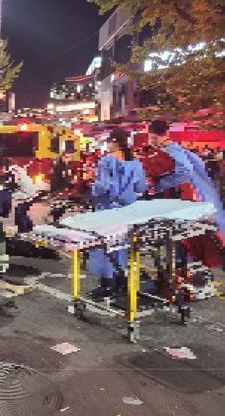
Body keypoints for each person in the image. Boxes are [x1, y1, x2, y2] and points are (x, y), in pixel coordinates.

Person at [147, 119, 225, 270]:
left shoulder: (171, 151)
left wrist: (159, 186)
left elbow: (185, 171)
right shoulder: (181, 150)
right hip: (202, 198)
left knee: (184, 240)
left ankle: (182, 269)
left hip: (187, 201)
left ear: (153, 135)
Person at [88, 129, 147, 298]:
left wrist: (91, 185)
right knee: (122, 245)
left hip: (108, 210)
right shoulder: (135, 162)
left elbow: (103, 187)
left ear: (114, 142)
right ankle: (121, 281)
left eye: (108, 142)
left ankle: (108, 284)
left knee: (105, 246)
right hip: (128, 211)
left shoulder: (106, 161)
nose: (107, 146)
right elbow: (141, 187)